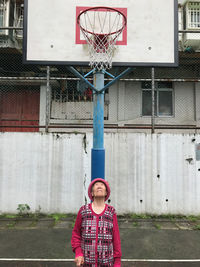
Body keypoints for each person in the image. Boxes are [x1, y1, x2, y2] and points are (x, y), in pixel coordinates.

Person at [71, 178, 121, 267]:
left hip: (107, 263)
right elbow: (76, 234)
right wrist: (78, 253)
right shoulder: (83, 211)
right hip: (87, 263)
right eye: (96, 185)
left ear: (106, 193)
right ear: (92, 193)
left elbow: (116, 238)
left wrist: (117, 262)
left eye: (102, 185)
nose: (99, 186)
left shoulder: (111, 211)